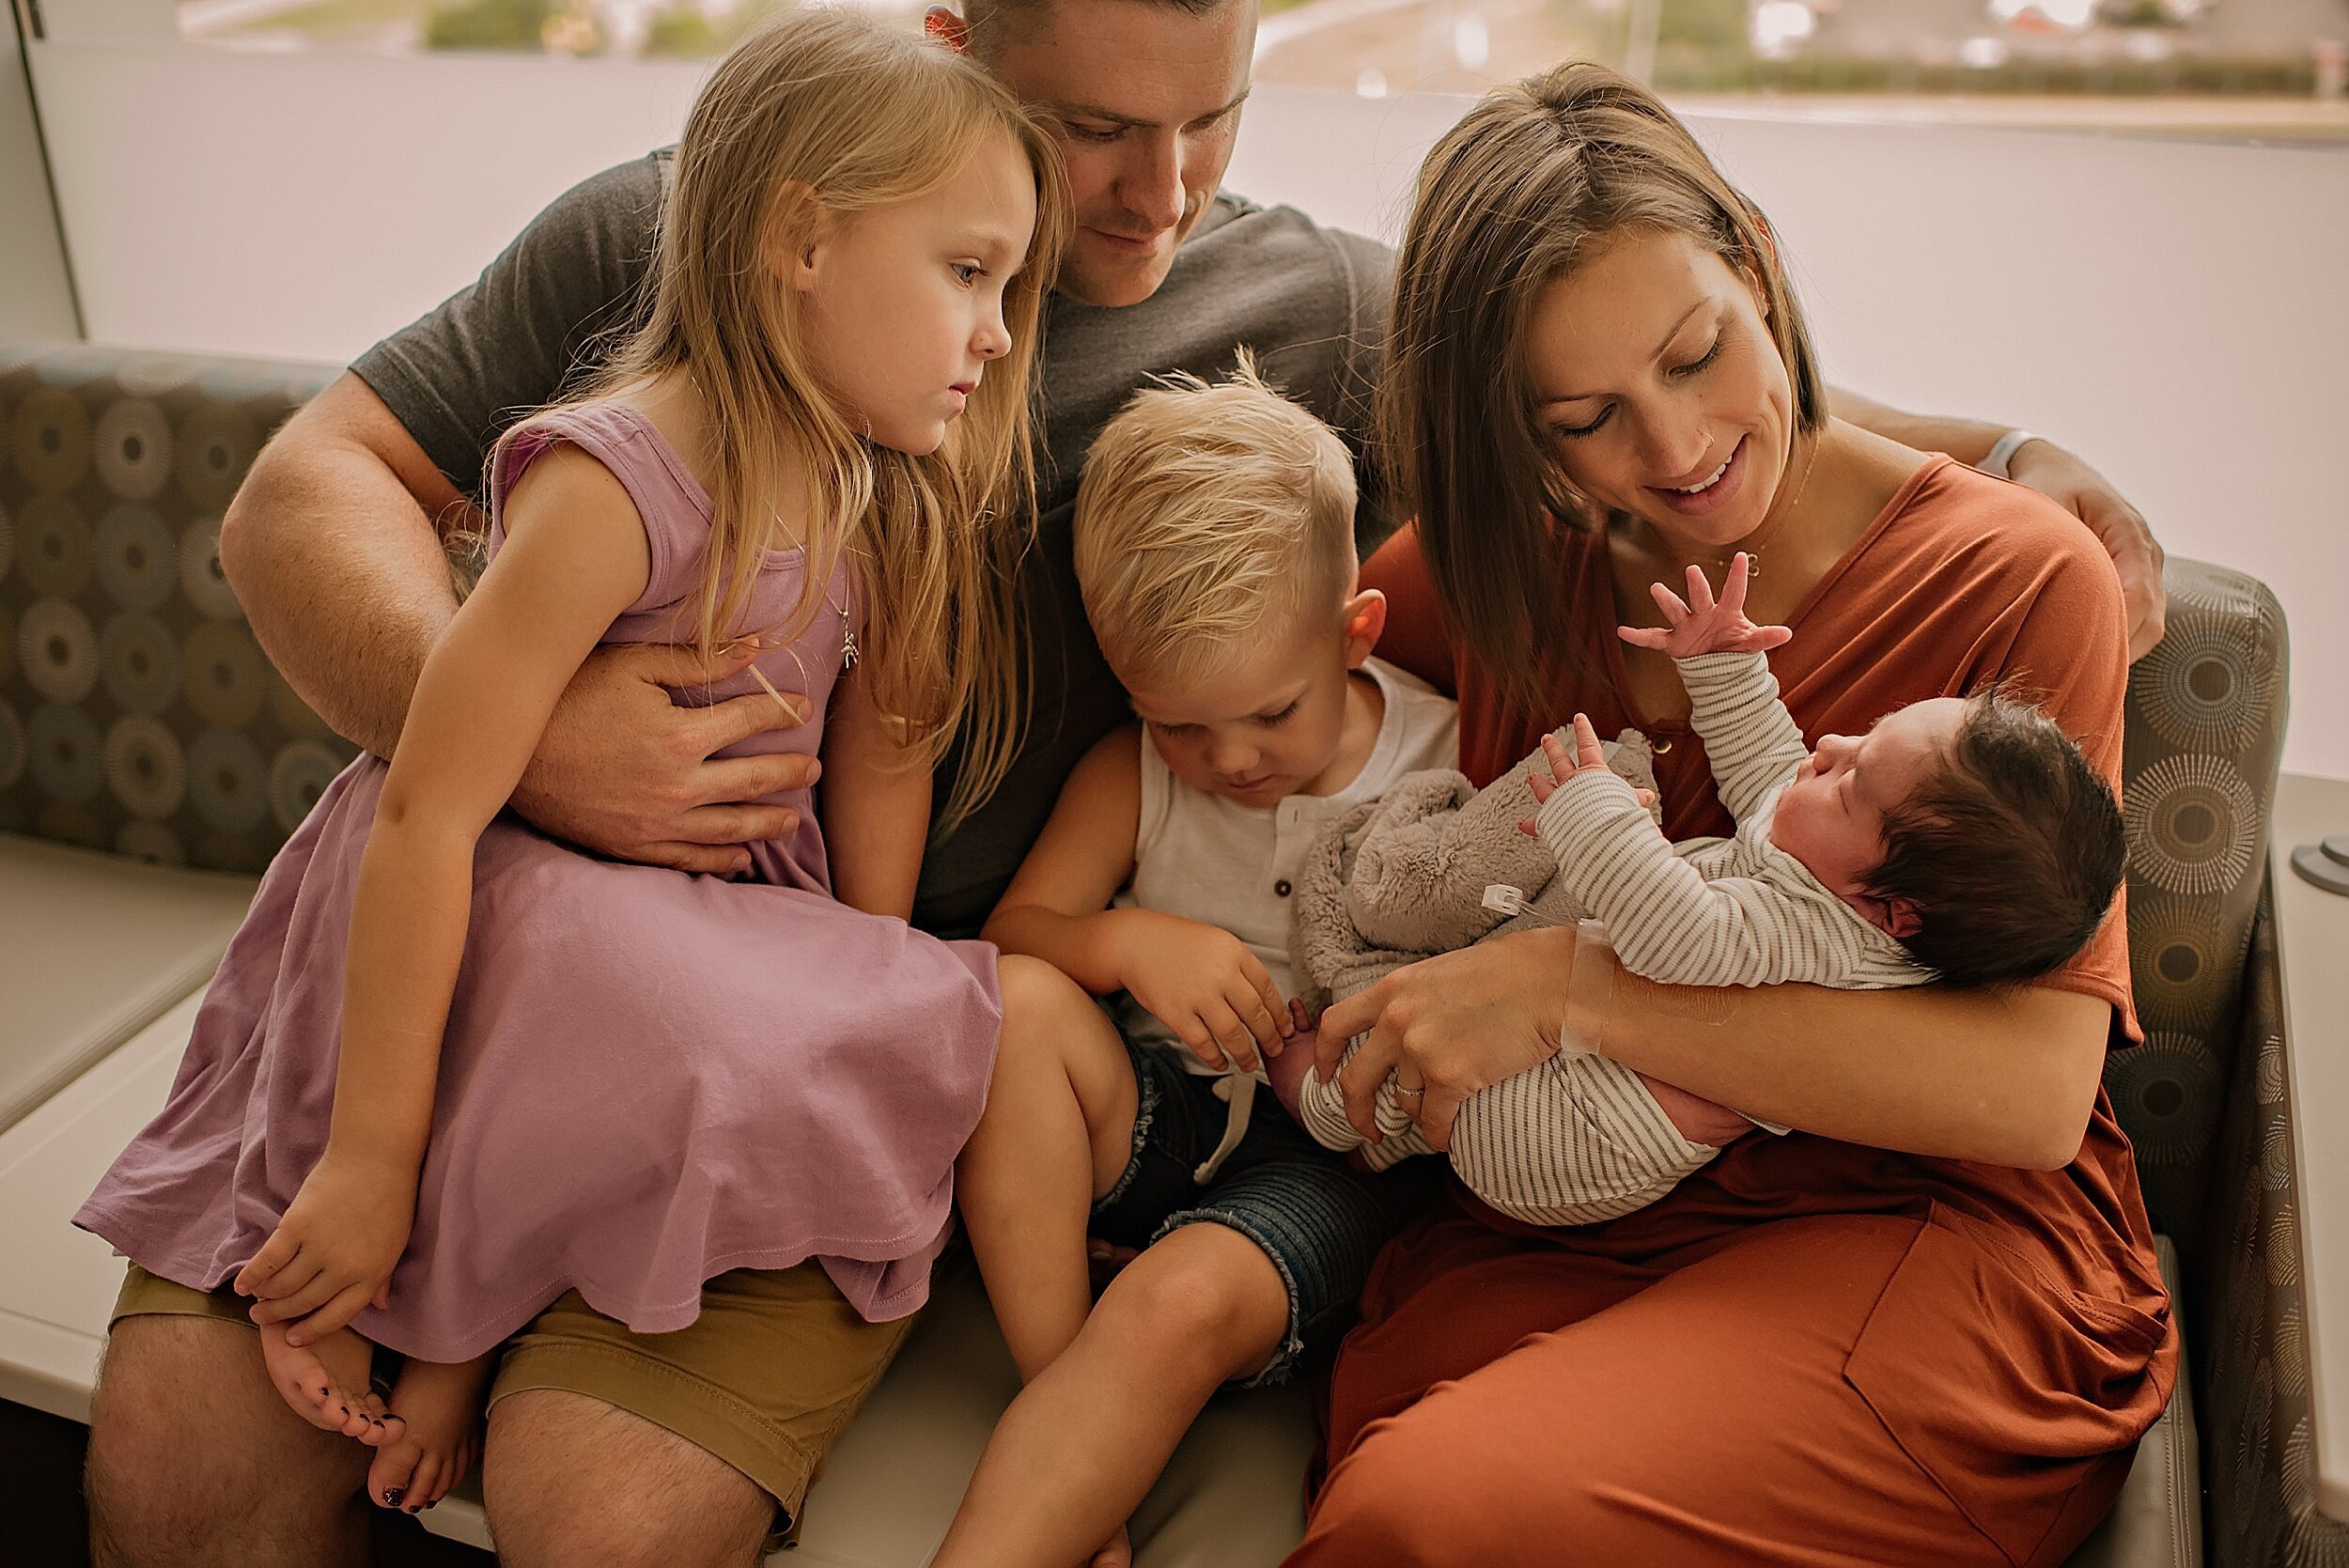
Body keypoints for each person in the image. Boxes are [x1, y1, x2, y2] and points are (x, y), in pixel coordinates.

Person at [83, 0, 2169, 1561]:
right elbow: (302, 501)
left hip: (870, 1044)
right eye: (1089, 131)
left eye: (1210, 116)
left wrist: (2004, 453)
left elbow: (1649, 390)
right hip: (521, 958)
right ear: (952, 48)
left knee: (607, 1505)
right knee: (180, 1477)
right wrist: (522, 726)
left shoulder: (1326, 321)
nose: (1155, 194)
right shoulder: (683, 242)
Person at [79, 4, 1062, 1536]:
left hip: (679, 944)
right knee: (572, 995)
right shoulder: (619, 480)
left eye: (1009, 285)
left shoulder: (879, 478)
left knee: (772, 1017)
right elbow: (424, 806)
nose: (1001, 332)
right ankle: (367, 1256)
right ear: (802, 243)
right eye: (968, 273)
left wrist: (862, 992)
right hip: (492, 903)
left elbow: (882, 752)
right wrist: (371, 1161)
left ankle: (464, 1335)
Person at [1284, 64, 2174, 1565]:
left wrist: (1572, 986)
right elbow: (1258, 678)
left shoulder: (2018, 579)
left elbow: (2027, 1092)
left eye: (1699, 352)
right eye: (1588, 418)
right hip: (1569, 1211)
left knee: (1422, 1516)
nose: (1678, 450)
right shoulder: (1514, 566)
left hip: (1913, 1231)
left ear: (1757, 263)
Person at [934, 365, 1455, 1568]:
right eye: (1180, 723)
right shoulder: (1133, 772)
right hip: (1151, 1117)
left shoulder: (1448, 756)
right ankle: (1070, 1425)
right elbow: (1016, 938)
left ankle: (1056, 1477)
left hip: (1325, 1164)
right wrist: (1125, 939)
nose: (1227, 759)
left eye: (1273, 712)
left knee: (1169, 1305)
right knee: (1009, 1006)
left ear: (1355, 630)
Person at [1291, 552, 2128, 1227]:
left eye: (1852, 781)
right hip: (1580, 1068)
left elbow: (1677, 939)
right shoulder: (1841, 867)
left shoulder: (1827, 937)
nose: (1830, 742)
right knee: (1446, 1027)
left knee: (1411, 1086)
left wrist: (1595, 812)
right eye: (1865, 735)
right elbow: (1768, 772)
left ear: (1891, 914)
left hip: (1565, 1134)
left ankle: (1320, 1101)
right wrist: (1727, 671)